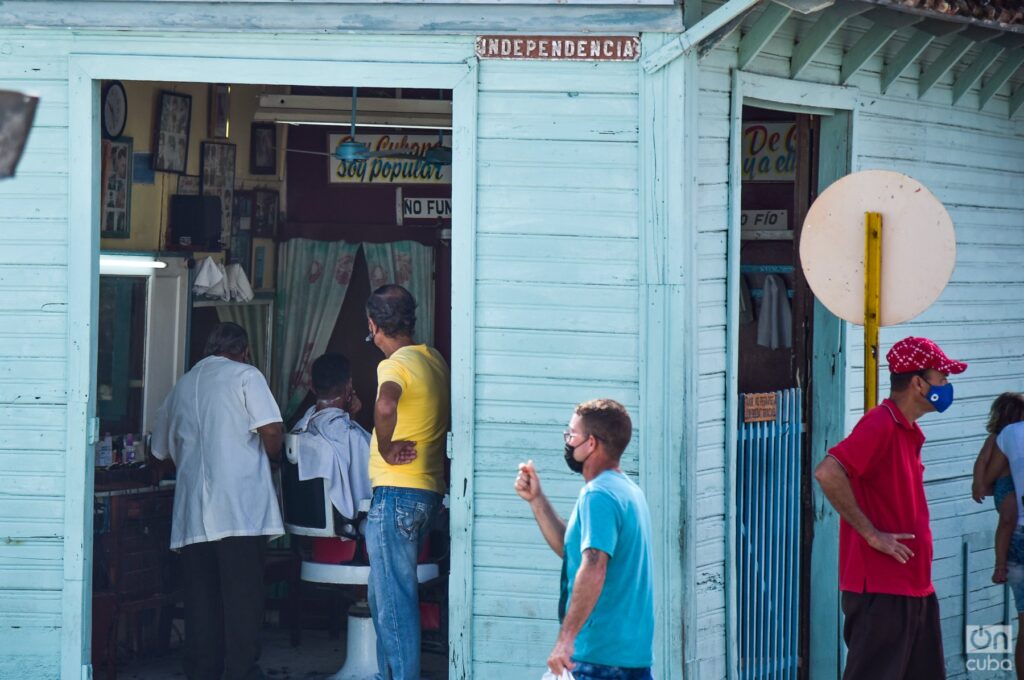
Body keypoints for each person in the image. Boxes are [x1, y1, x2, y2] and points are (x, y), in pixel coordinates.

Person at [814, 336, 967, 680]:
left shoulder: (905, 430)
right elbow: (827, 472)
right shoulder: (881, 423)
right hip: (882, 591)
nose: (947, 385)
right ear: (918, 383)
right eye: (942, 378)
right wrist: (871, 534)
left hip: (912, 586)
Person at [150, 322, 284, 680]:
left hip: (193, 516)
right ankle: (241, 673)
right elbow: (271, 429)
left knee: (201, 604)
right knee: (242, 602)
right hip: (239, 510)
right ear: (244, 350)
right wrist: (274, 458)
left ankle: (203, 673)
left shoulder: (182, 385)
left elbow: (158, 449)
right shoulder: (245, 375)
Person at [515, 399, 654, 680]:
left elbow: (593, 567)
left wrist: (565, 641)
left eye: (572, 434)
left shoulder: (598, 495)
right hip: (632, 658)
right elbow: (574, 551)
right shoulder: (628, 492)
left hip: (596, 658)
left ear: (591, 444)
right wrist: (537, 500)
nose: (567, 441)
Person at [364, 284, 450, 680]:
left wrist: (384, 446)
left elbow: (385, 404)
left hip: (397, 493)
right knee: (382, 595)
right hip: (426, 492)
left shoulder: (394, 365)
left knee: (393, 601)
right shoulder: (433, 360)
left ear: (373, 325)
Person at [290, 353, 371, 522]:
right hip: (345, 523)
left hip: (309, 518)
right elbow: (366, 484)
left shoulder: (300, 429)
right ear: (349, 386)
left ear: (311, 386)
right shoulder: (351, 436)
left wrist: (351, 416)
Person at [976, 394, 1024, 678]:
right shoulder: (1004, 435)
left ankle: (1000, 564)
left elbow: (986, 477)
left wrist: (980, 484)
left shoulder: (1007, 435)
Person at [971, 393, 1024, 583]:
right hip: (1005, 486)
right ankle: (1000, 564)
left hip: (1014, 485)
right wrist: (978, 484)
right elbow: (981, 461)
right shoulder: (997, 437)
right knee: (1008, 519)